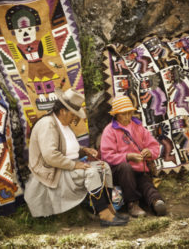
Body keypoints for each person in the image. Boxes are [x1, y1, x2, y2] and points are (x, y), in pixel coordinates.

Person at [24, 88, 128, 227]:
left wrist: (84, 151)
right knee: (90, 172)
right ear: (63, 111)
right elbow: (50, 156)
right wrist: (74, 165)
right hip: (54, 171)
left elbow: (68, 149)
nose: (75, 118)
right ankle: (104, 215)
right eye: (73, 114)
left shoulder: (63, 125)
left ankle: (110, 209)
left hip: (67, 166)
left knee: (105, 167)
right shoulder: (48, 125)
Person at [100, 95, 166, 217]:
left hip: (138, 170)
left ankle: (156, 202)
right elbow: (107, 156)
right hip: (119, 172)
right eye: (123, 114)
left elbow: (154, 146)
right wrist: (128, 156)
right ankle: (132, 204)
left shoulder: (138, 127)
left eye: (129, 113)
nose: (127, 117)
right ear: (116, 114)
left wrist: (149, 152)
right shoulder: (109, 131)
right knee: (126, 168)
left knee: (145, 183)